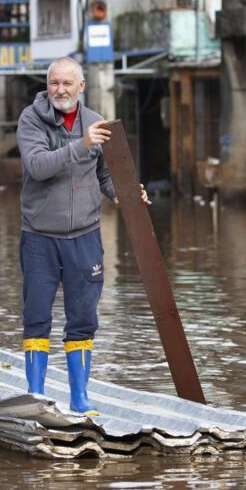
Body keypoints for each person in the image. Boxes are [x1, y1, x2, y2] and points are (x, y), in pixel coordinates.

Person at [16, 56, 149, 415]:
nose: (59, 90)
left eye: (66, 84)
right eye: (54, 83)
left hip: (85, 237)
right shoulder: (32, 119)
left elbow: (105, 175)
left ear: (81, 87)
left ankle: (80, 399)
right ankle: (35, 397)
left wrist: (124, 193)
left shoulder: (95, 124)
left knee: (83, 318)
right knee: (37, 315)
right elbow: (38, 166)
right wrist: (82, 145)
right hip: (40, 236)